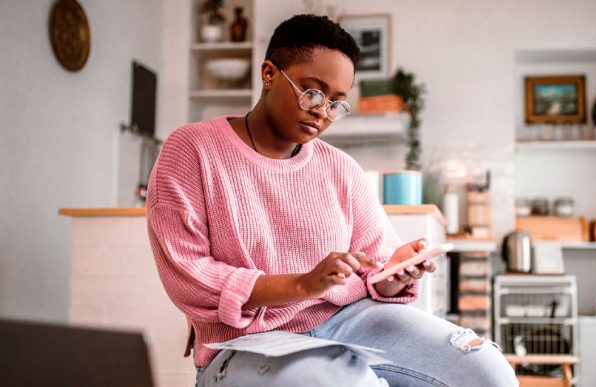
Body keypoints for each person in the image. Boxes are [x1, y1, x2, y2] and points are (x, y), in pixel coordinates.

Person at [147, 14, 517, 387]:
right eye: (313, 92)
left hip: (348, 319)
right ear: (269, 74)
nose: (322, 112)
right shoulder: (192, 149)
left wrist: (393, 274)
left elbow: (374, 272)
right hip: (245, 342)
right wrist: (303, 285)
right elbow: (188, 276)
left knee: (487, 370)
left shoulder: (340, 168)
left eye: (336, 103)